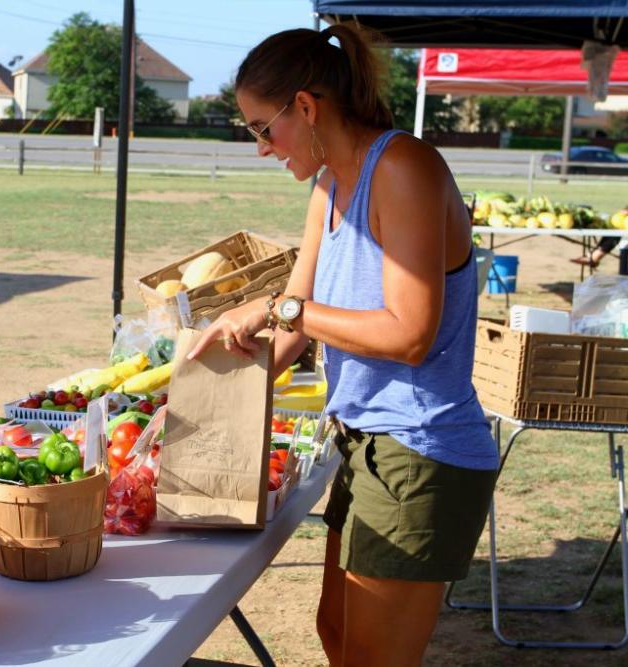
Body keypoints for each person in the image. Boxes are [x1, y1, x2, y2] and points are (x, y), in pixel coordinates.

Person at [187, 26, 498, 666]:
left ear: (306, 107)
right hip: (364, 440)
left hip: (420, 446)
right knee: (336, 632)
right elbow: (298, 329)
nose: (260, 150)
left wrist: (277, 307)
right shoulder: (329, 187)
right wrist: (205, 394)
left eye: (260, 129)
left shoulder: (405, 167)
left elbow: (408, 335)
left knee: (372, 658)